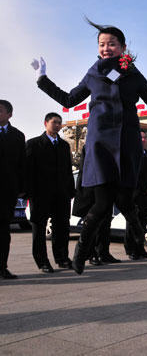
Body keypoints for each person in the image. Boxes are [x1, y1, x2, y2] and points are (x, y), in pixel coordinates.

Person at [31, 20, 147, 274]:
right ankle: (81, 253)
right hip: (100, 143)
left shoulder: (132, 73)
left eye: (111, 44)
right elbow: (69, 99)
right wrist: (43, 79)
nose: (106, 48)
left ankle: (136, 238)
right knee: (102, 203)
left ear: (123, 47)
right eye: (102, 44)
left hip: (127, 140)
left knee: (127, 200)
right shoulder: (93, 73)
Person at [25, 112, 75, 272]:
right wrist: (29, 192)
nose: (58, 125)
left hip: (61, 194)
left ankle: (62, 258)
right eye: (54, 122)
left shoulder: (64, 145)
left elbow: (68, 170)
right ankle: (42, 261)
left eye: (60, 122)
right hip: (40, 194)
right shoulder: (33, 144)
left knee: (62, 227)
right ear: (46, 123)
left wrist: (70, 191)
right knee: (39, 229)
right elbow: (28, 171)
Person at [71, 145, 121, 266]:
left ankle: (104, 253)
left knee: (105, 224)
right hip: (91, 190)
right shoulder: (89, 147)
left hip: (106, 189)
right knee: (92, 226)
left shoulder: (111, 146)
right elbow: (85, 169)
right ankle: (92, 254)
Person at [0, 100, 25, 279]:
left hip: (7, 191)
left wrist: (21, 188)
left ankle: (2, 266)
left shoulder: (17, 136)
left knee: (3, 231)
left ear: (9, 114)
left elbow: (22, 164)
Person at [126, 131, 147, 260]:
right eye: (140, 137)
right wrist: (144, 186)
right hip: (134, 195)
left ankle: (140, 249)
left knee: (143, 224)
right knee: (133, 223)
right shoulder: (131, 155)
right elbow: (132, 175)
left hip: (146, 196)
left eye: (145, 138)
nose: (143, 140)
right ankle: (131, 249)